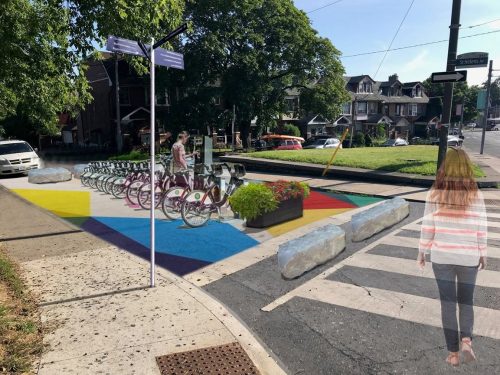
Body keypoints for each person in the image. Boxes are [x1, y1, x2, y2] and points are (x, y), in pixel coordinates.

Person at [417, 147, 487, 367]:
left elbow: (428, 226)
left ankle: (453, 354)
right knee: (466, 302)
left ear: (445, 167)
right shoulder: (475, 193)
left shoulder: (435, 192)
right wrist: (482, 252)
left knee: (447, 304)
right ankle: (466, 340)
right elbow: (481, 226)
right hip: (468, 257)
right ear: (467, 167)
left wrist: (422, 251)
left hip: (442, 257)